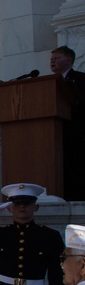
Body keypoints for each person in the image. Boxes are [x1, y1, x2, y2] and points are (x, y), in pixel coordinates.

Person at [52, 46, 85, 200]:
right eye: (51, 59)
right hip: (54, 132)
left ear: (69, 60)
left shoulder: (80, 78)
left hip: (76, 132)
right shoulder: (48, 83)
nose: (52, 61)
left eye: (57, 58)